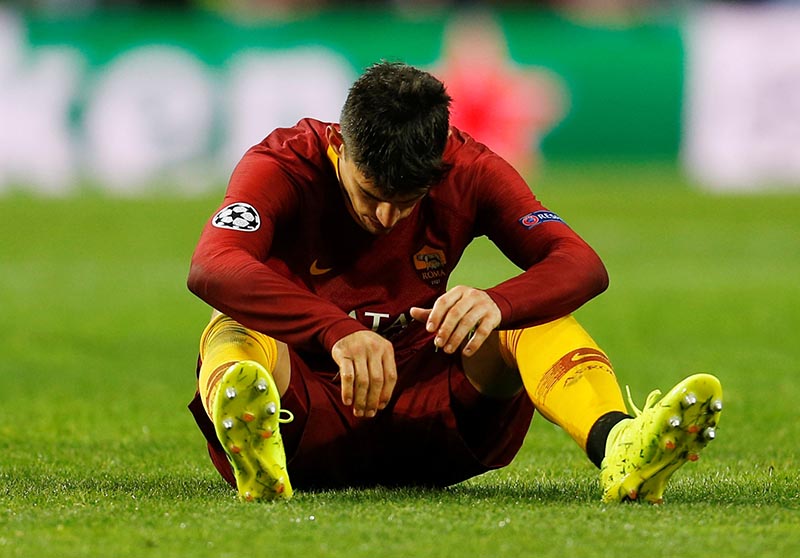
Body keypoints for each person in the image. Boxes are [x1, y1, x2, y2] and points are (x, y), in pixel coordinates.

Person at [186, 61, 722, 504]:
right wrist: (334, 330)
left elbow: (580, 263)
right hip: (302, 404)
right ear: (340, 147)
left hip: (427, 410)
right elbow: (212, 264)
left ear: (437, 165)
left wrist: (498, 302)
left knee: (529, 317)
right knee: (232, 324)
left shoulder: (469, 169)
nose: (388, 217)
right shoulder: (284, 164)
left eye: (408, 200)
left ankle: (619, 445)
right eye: (370, 194)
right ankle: (259, 454)